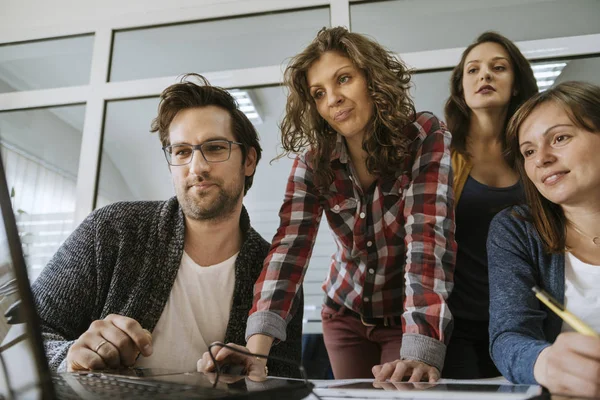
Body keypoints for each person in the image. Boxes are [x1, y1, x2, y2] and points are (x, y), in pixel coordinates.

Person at [199, 27, 456, 382]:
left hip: (405, 318)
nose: (333, 99)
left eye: (344, 79)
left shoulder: (424, 136)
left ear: (373, 79)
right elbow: (289, 249)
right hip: (343, 315)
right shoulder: (313, 163)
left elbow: (428, 240)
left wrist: (420, 351)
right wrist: (255, 351)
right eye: (319, 93)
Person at [30, 73, 302, 377]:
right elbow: (24, 335)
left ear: (249, 160)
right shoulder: (111, 230)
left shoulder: (278, 273)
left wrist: (249, 381)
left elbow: (283, 380)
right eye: (182, 152)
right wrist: (70, 356)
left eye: (214, 148)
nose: (196, 168)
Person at [488, 81, 600, 397]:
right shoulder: (515, 230)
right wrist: (545, 362)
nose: (542, 159)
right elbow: (509, 336)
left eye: (560, 138)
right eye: (529, 151)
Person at [441, 32, 537, 378]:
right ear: (461, 88)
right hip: (457, 325)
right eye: (473, 70)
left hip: (525, 321)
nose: (485, 76)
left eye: (498, 68)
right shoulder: (441, 159)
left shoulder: (534, 157)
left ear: (515, 85)